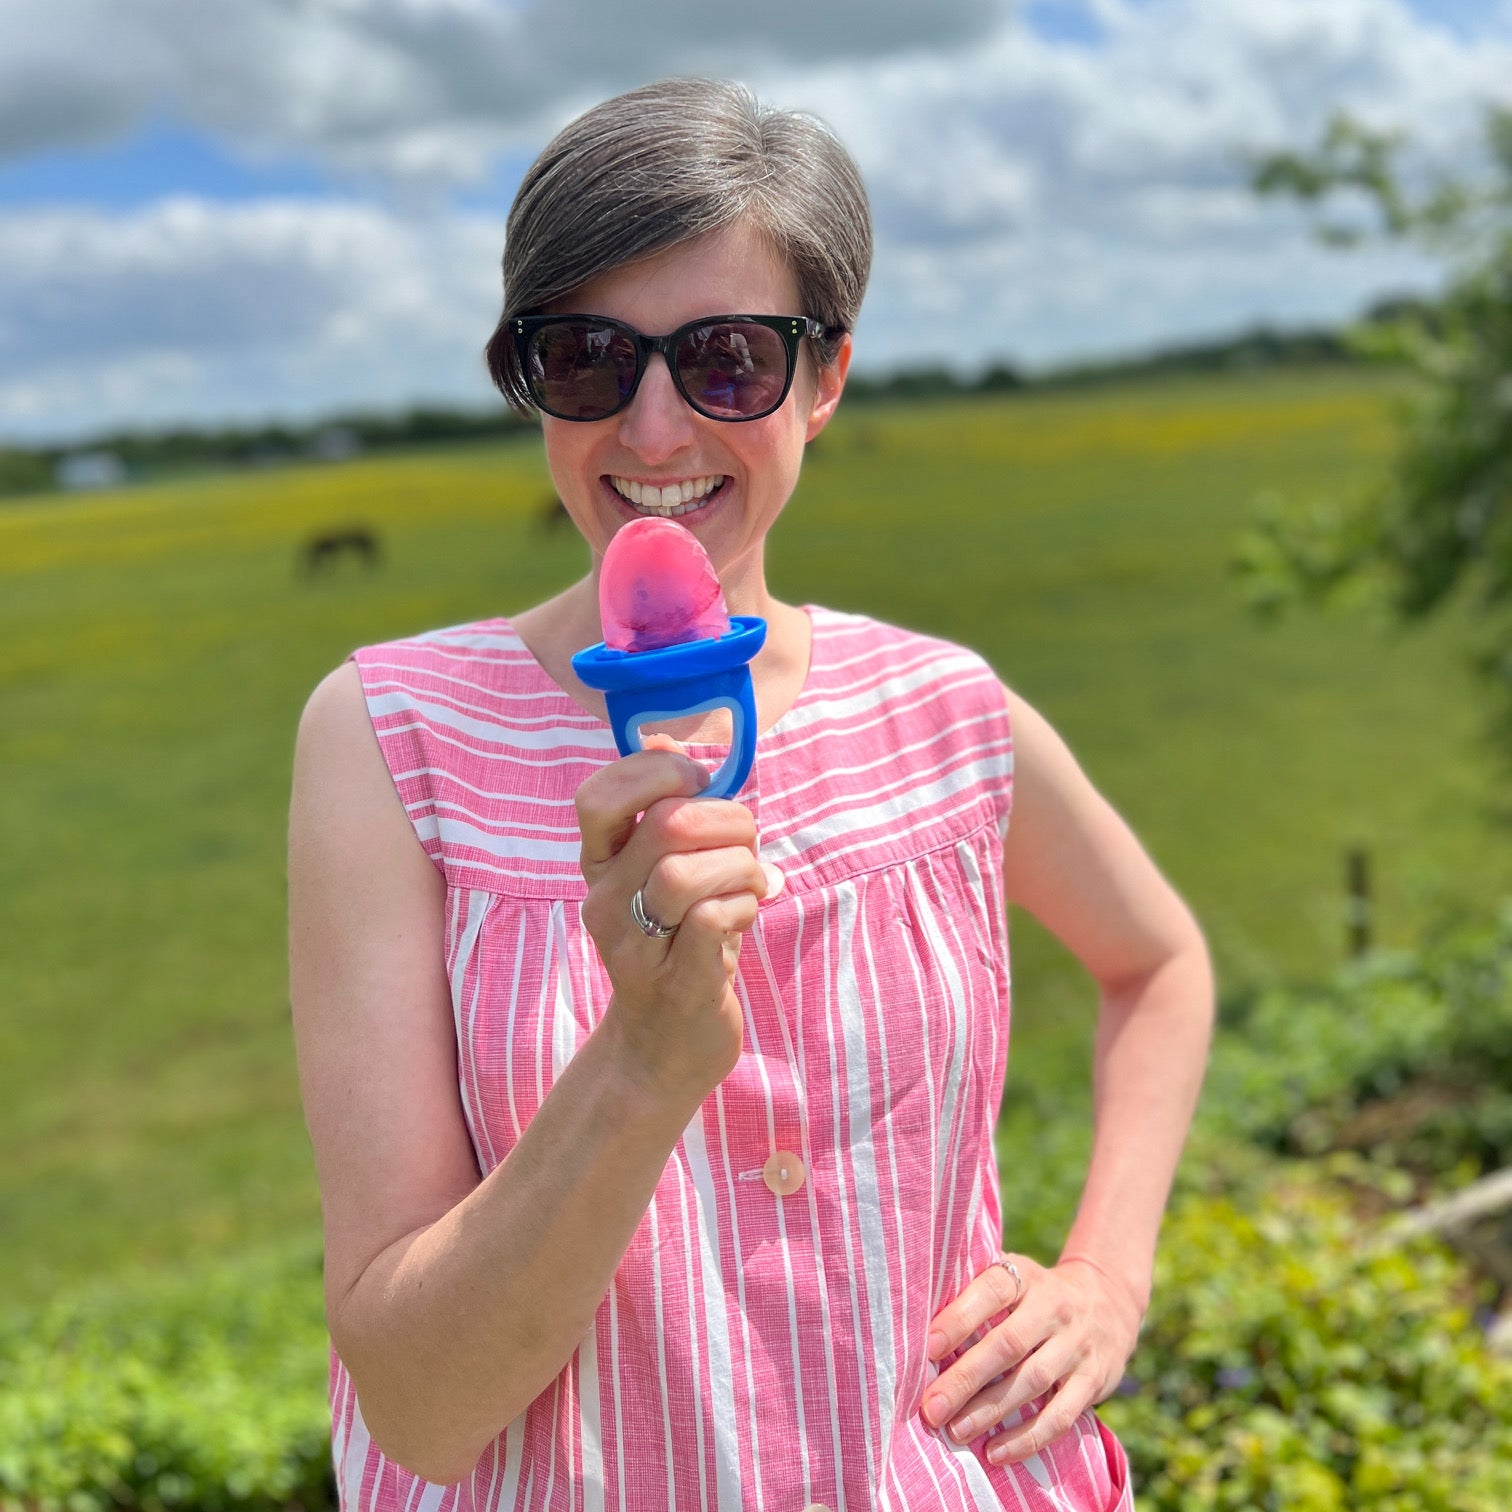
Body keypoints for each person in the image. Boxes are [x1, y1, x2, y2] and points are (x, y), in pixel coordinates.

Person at [289, 76, 1213, 1511]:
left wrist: (1104, 1277)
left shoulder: (946, 710)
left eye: (725, 361)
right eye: (588, 358)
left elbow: (1159, 963)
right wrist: (642, 1062)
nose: (653, 433)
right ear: (526, 376)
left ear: (826, 375)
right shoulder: (391, 739)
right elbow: (418, 1405)